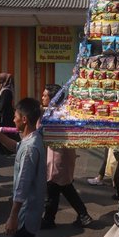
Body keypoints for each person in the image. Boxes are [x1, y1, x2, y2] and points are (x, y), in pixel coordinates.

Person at [0, 98, 72, 237]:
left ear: (25, 120)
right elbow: (15, 147)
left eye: (16, 116)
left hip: (26, 211)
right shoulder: (31, 139)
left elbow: (22, 185)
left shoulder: (30, 147)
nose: (13, 119)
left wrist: (12, 215)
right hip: (28, 209)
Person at [40, 84, 92, 229]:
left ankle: (50, 219)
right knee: (63, 187)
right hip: (64, 154)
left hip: (57, 156)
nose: (42, 98)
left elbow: (42, 132)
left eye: (45, 95)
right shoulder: (63, 111)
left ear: (53, 99)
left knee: (54, 186)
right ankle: (82, 215)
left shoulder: (55, 115)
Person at [0, 73, 16, 154]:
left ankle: (6, 150)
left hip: (5, 116)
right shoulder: (3, 89)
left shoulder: (6, 91)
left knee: (4, 133)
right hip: (4, 115)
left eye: (1, 78)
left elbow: (2, 105)